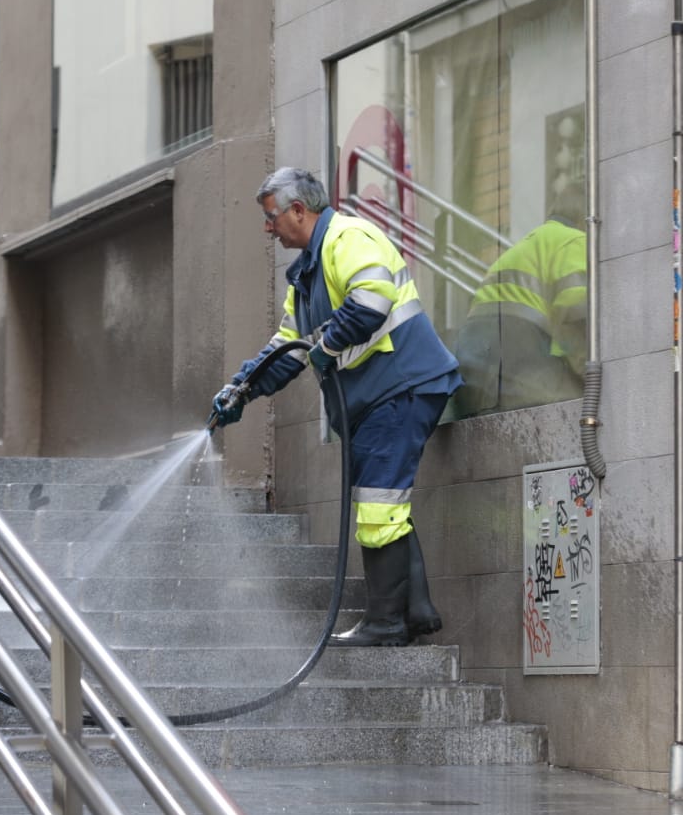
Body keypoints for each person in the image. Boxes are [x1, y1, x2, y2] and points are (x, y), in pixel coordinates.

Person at [211, 167, 463, 647]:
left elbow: (371, 300)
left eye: (271, 217)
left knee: (378, 503)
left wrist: (326, 348)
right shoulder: (306, 275)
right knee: (383, 501)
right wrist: (241, 388)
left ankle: (385, 623)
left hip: (401, 384)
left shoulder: (347, 238)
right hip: (383, 394)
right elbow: (288, 347)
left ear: (298, 211)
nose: (267, 228)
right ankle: (416, 609)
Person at [452, 189, 587, 417]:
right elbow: (576, 316)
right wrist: (588, 374)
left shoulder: (526, 244)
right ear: (585, 219)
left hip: (474, 353)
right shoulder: (574, 240)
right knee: (569, 410)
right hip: (520, 345)